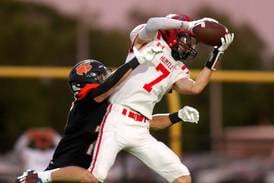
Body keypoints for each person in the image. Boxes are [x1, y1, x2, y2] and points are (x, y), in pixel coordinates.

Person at [87, 13, 234, 183]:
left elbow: (195, 87)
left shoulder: (178, 68)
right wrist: (187, 25)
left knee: (182, 177)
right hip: (116, 118)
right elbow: (152, 23)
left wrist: (216, 54)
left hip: (141, 127)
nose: (191, 45)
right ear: (175, 32)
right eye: (188, 38)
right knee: (94, 177)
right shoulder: (150, 39)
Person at [16, 57, 199, 183]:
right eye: (102, 76)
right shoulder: (86, 103)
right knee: (92, 176)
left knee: (93, 176)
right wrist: (136, 61)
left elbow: (145, 123)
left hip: (83, 169)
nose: (107, 78)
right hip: (68, 167)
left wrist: (177, 116)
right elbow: (110, 84)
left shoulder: (108, 106)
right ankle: (38, 177)